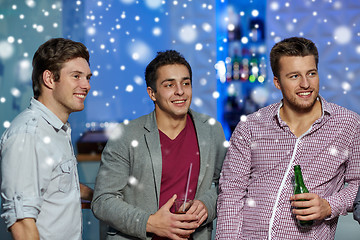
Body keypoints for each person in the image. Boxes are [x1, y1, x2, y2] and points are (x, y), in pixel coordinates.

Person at [216, 37, 360, 239]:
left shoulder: (349, 124)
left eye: (311, 73)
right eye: (294, 76)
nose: (305, 84)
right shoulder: (250, 126)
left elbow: (358, 185)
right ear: (277, 82)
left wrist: (329, 206)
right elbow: (231, 193)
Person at [91, 50, 227, 240]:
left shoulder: (211, 130)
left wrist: (206, 205)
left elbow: (228, 185)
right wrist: (150, 223)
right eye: (169, 84)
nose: (180, 91)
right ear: (152, 93)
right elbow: (102, 201)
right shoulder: (126, 136)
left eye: (185, 83)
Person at [0, 38, 93, 239]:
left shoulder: (57, 130)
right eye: (76, 76)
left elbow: (58, 187)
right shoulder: (29, 135)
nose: (86, 85)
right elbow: (22, 223)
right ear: (49, 79)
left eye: (88, 77)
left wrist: (105, 199)